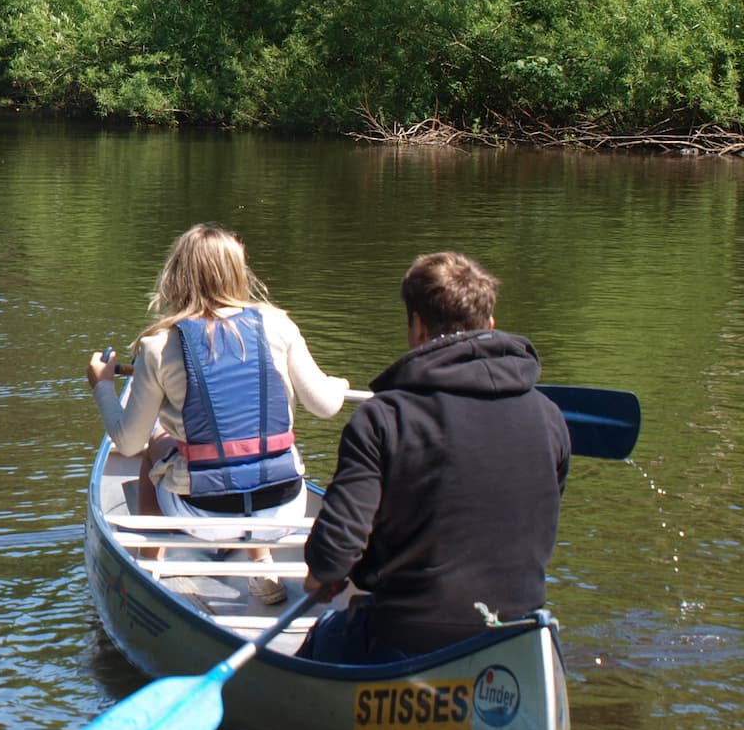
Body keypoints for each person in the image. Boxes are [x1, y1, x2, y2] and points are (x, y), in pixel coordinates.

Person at [297, 251, 571, 663]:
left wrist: (325, 575)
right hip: (514, 638)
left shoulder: (382, 419)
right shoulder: (549, 417)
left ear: (419, 327)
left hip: (406, 641)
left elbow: (333, 555)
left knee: (324, 639)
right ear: (490, 326)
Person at [86, 223, 350, 604]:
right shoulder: (279, 324)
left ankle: (148, 571)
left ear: (176, 276)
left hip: (202, 515)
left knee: (153, 451)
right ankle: (264, 568)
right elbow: (325, 405)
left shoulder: (159, 345)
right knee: (248, 452)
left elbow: (127, 441)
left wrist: (102, 386)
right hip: (284, 507)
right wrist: (338, 385)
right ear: (237, 272)